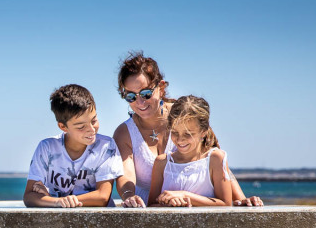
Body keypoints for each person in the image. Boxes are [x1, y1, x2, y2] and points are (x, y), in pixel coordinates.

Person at [112, 51, 262, 208]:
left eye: (146, 93)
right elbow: (126, 175)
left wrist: (241, 198)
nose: (140, 102)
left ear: (161, 88)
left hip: (195, 207)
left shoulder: (184, 114)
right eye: (131, 96)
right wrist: (130, 197)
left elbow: (215, 160)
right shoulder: (124, 133)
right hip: (150, 208)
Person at [24, 84, 124, 208]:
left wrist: (56, 200)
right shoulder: (47, 148)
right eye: (81, 127)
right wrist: (58, 202)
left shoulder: (105, 146)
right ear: (63, 127)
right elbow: (29, 196)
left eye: (94, 121)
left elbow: (102, 197)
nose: (91, 130)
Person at [148, 95, 231, 207]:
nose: (180, 139)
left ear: (203, 131)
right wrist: (169, 204)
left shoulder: (215, 159)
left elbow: (225, 204)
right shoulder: (161, 163)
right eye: (175, 132)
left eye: (188, 134)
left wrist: (185, 196)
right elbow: (151, 205)